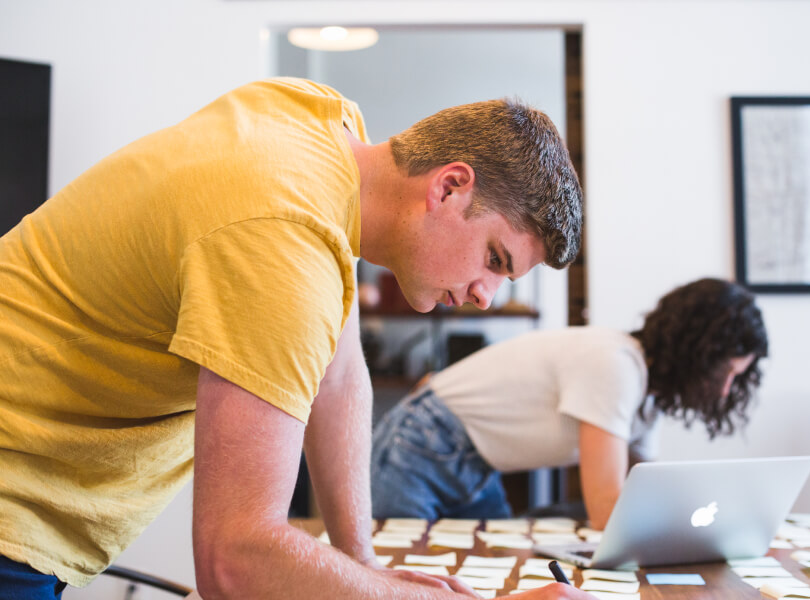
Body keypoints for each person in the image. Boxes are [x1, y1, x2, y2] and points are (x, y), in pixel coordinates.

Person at [0, 77, 589, 600]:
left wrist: (365, 568)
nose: (486, 294)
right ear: (449, 187)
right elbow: (236, 559)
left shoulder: (322, 123)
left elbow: (339, 379)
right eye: (494, 258)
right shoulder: (283, 237)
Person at [371, 278, 769, 528]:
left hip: (475, 462)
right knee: (397, 572)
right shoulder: (614, 365)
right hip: (422, 443)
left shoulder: (646, 395)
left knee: (477, 576)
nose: (722, 391)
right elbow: (607, 510)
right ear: (695, 354)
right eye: (725, 375)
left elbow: (646, 488)